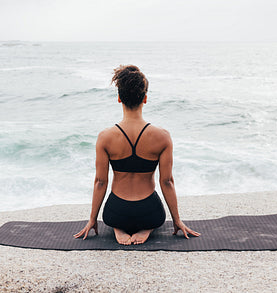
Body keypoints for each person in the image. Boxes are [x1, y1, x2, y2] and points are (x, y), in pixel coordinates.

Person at [74, 65, 200, 245]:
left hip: (116, 213)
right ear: (145, 98)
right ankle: (146, 228)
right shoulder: (162, 137)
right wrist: (177, 221)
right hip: (150, 213)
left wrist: (92, 220)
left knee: (116, 219)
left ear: (119, 98)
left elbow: (100, 182)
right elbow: (167, 181)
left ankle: (118, 228)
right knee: (153, 218)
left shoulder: (105, 137)